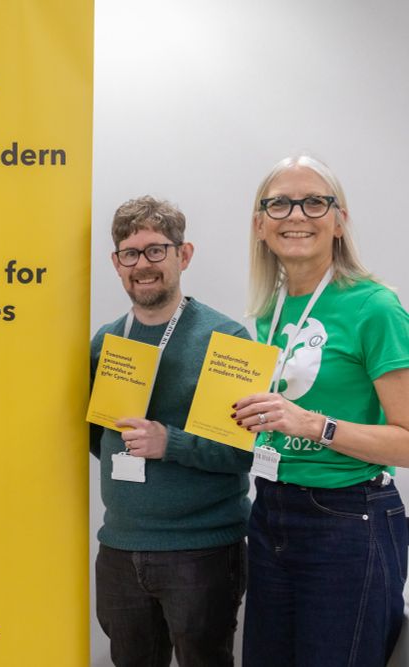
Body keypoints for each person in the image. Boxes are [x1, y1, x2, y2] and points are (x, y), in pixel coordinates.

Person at [234, 154, 409, 667]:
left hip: (348, 520)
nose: (296, 215)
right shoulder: (268, 309)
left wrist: (311, 424)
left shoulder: (375, 307)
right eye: (280, 203)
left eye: (314, 202)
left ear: (339, 220)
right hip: (270, 511)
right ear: (260, 224)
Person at [90, 196, 253, 667]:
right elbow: (98, 438)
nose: (143, 264)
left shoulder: (228, 340)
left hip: (201, 553)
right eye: (130, 252)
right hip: (120, 547)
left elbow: (242, 452)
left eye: (156, 250)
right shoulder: (106, 341)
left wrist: (171, 444)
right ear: (116, 263)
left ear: (184, 255)